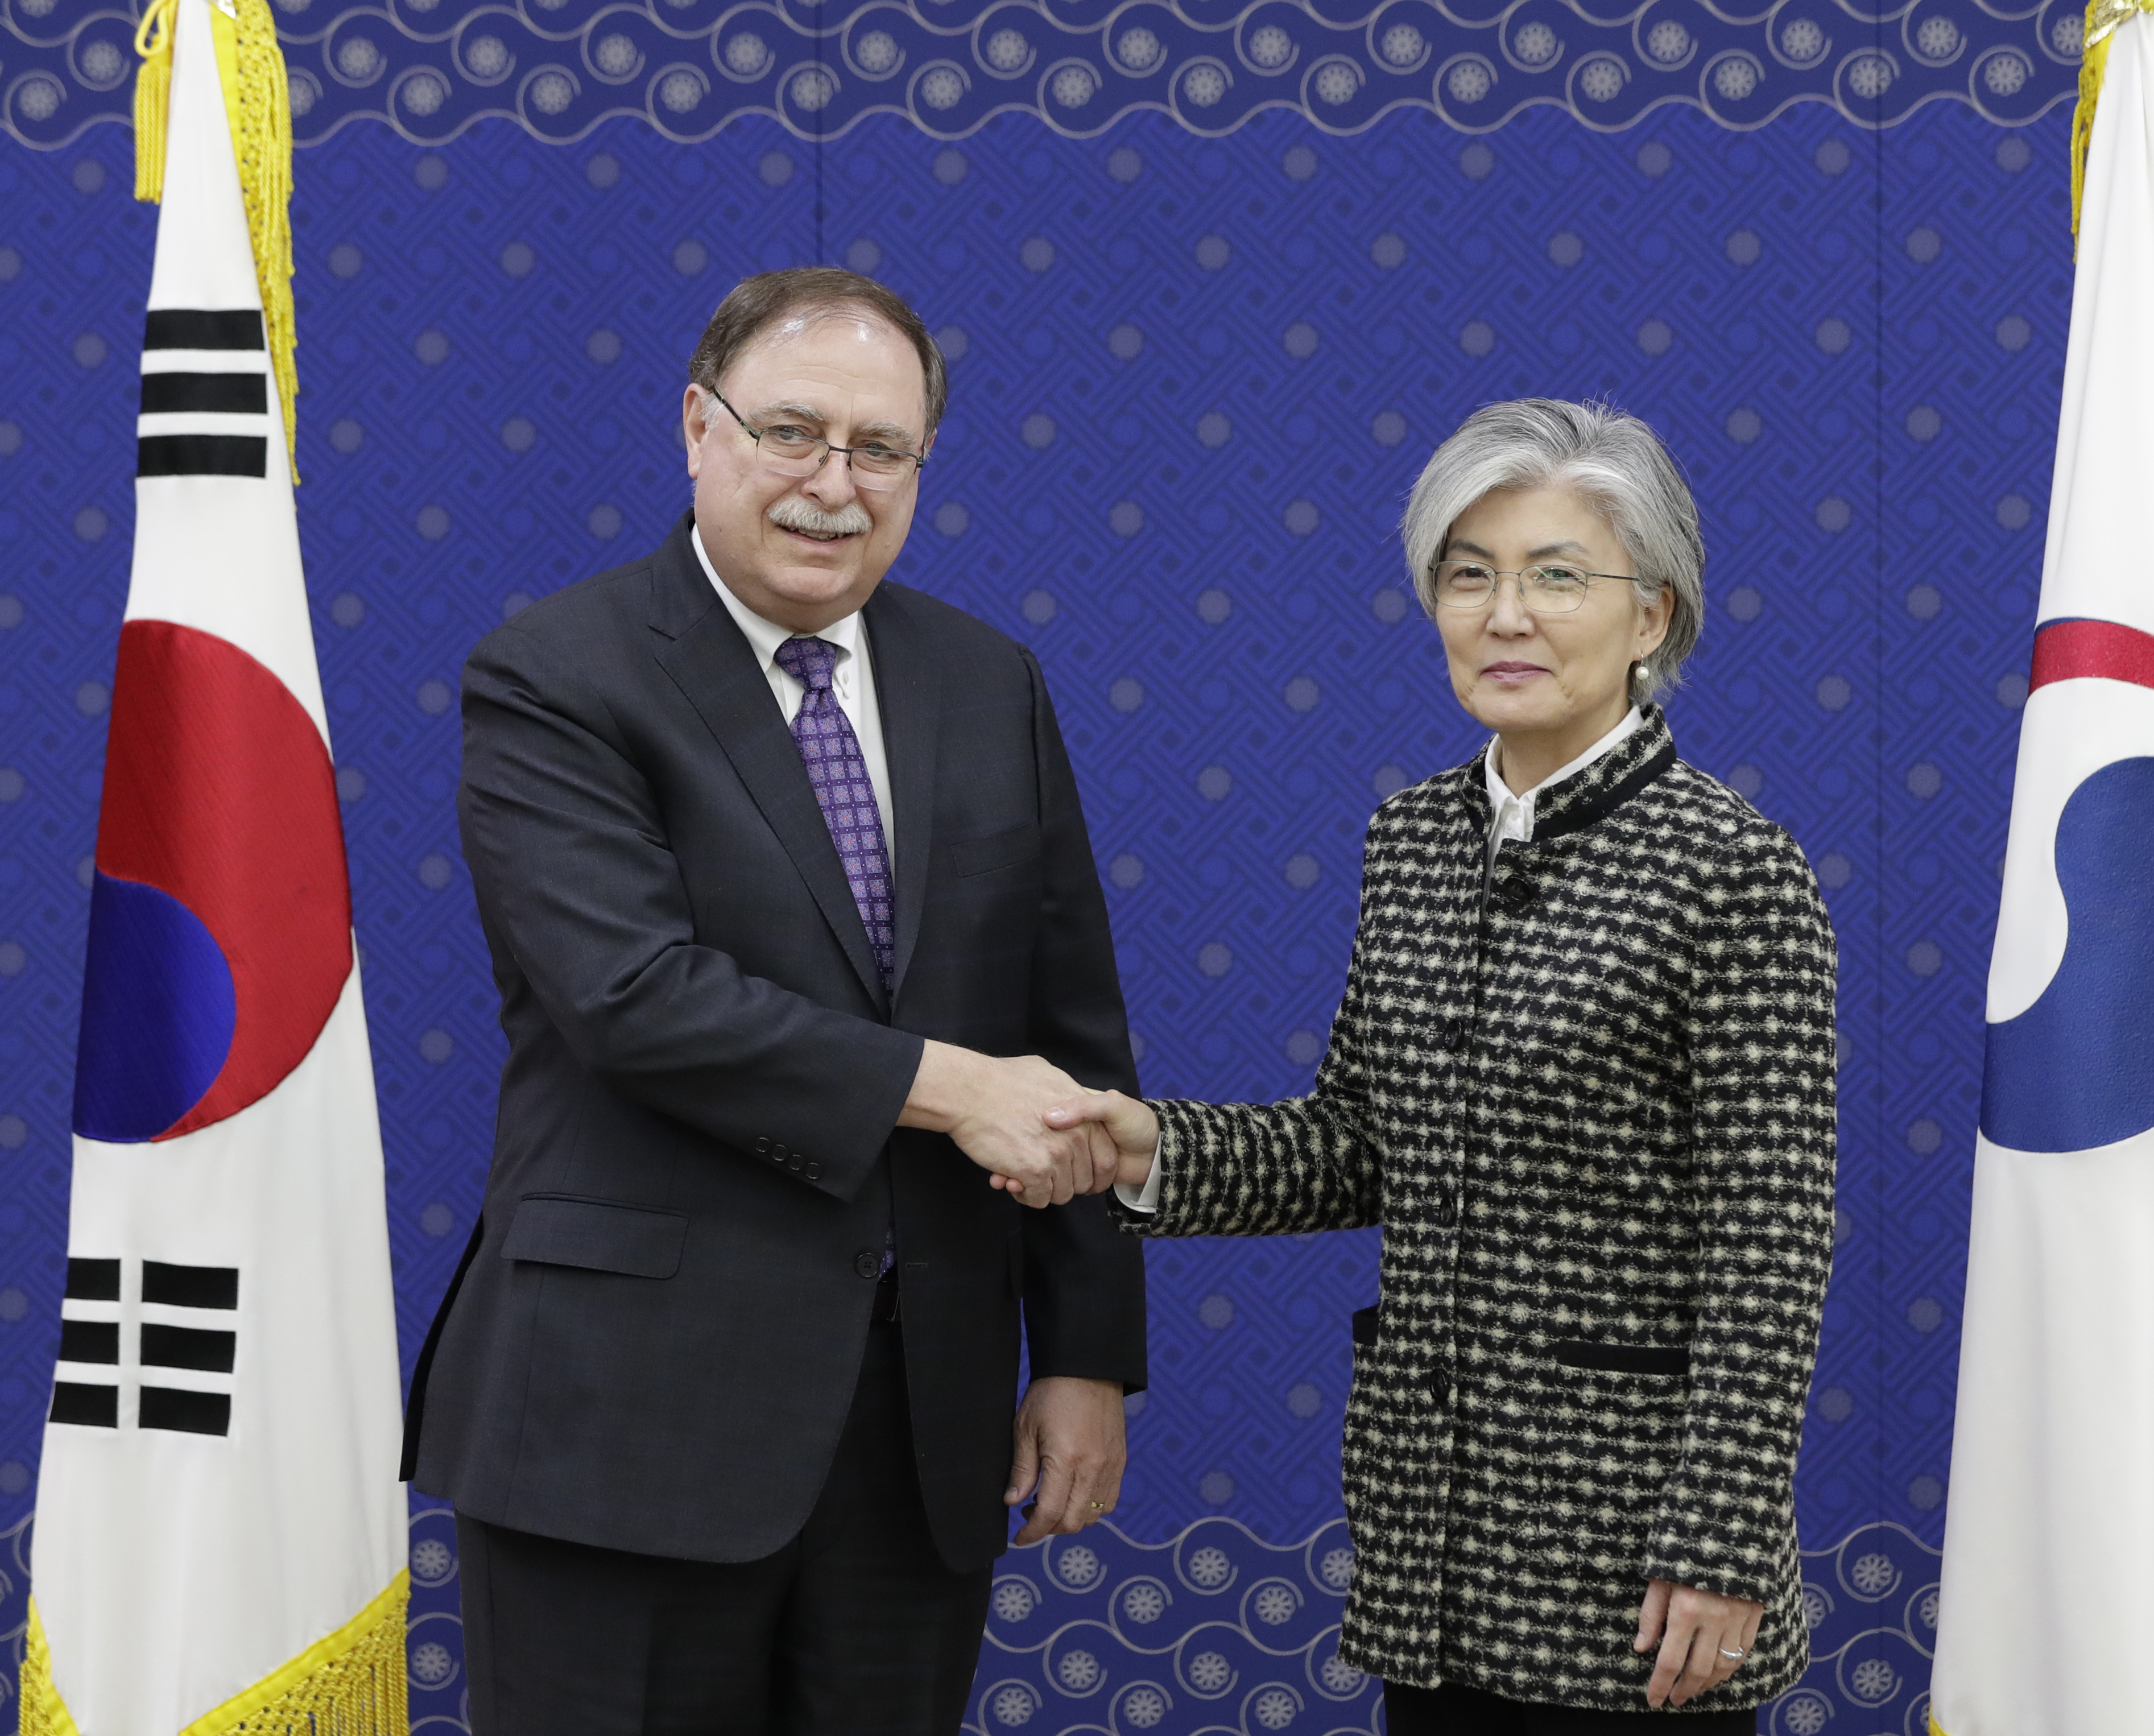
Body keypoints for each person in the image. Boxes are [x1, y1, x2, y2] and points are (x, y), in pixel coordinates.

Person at [403, 268, 1143, 1735]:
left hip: (914, 1435)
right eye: (791, 432)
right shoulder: (558, 674)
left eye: (881, 449)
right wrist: (946, 1083)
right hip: (623, 1429)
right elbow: (638, 996)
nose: (832, 484)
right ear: (698, 425)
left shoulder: (989, 682)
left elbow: (1070, 1036)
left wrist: (1082, 1349)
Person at [1045, 399, 1837, 1732]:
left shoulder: (1732, 869)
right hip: (1432, 1548)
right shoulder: (1412, 839)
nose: (1504, 614)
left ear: (1652, 617)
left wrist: (1720, 1538)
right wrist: (1145, 1148)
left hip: (1634, 1559)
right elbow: (1361, 1140)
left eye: (1556, 575)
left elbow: (1772, 1240)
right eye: (1468, 575)